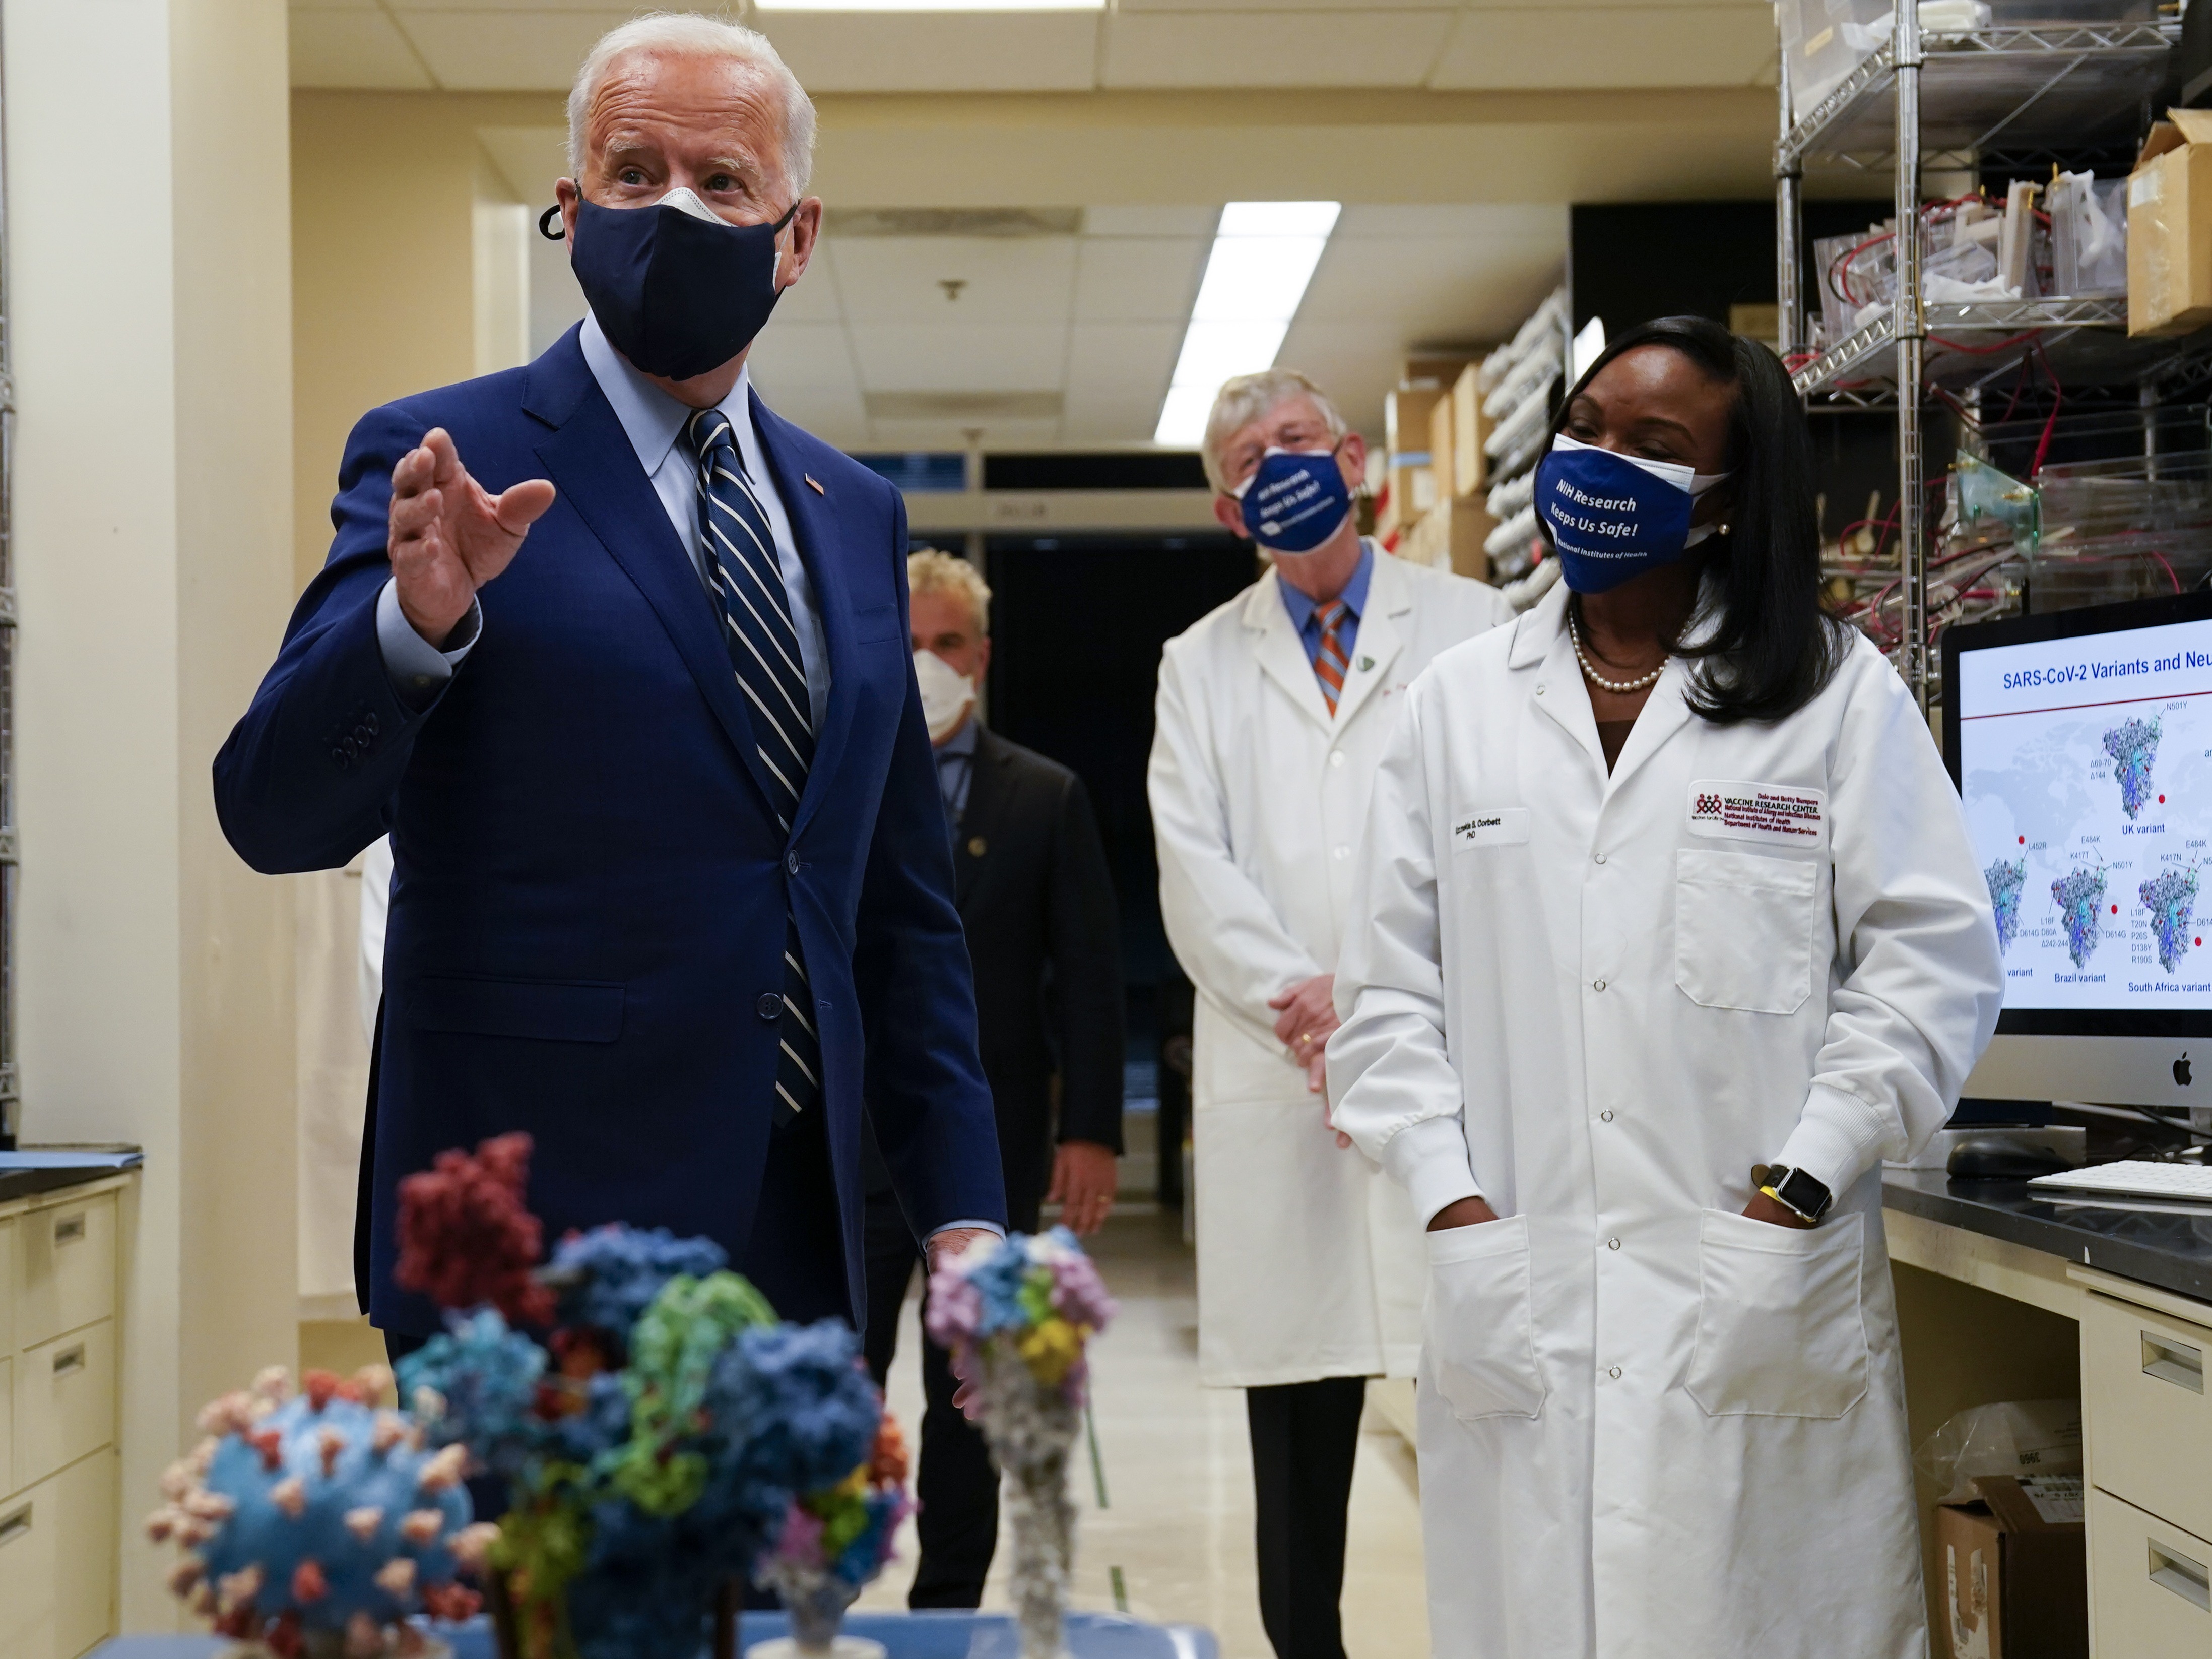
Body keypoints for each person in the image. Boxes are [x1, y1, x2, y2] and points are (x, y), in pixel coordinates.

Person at [212, 15, 1005, 1347]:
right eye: (633, 175)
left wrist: (965, 1215)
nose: (675, 211)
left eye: (723, 182)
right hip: (529, 1260)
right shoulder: (439, 454)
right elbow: (274, 813)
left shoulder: (850, 507)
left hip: (799, 1247)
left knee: (789, 1569)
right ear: (571, 212)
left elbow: (891, 907)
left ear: (795, 237)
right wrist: (414, 630)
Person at [1328, 315, 2004, 1659]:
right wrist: (1445, 1193)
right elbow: (1385, 996)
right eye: (1582, 432)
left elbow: (1927, 963)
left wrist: (1803, 1172)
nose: (1595, 465)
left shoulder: (1829, 694)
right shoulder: (1456, 708)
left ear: (1725, 498)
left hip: (1754, 1275)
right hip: (1516, 1278)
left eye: (1651, 446)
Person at [1147, 368, 1516, 1659]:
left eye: (1295, 440)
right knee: (1296, 1436)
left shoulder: (1476, 623)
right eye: (1248, 458)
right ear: (1225, 509)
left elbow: (1504, 837)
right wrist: (1302, 1005)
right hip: (1280, 1081)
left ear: (1354, 460)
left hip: (1444, 1063)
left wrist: (1365, 1000)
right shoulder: (1196, 666)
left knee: (1475, 1402)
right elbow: (1193, 868)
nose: (1277, 465)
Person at [861, 548, 1125, 1607]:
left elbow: (1089, 978)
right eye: (910, 642)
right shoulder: (840, 787)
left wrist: (1092, 1128)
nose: (927, 660)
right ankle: (820, 1586)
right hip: (853, 1146)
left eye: (947, 643)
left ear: (981, 657)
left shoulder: (1044, 796)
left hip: (990, 1146)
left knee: (964, 1392)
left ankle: (947, 1602)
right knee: (840, 1373)